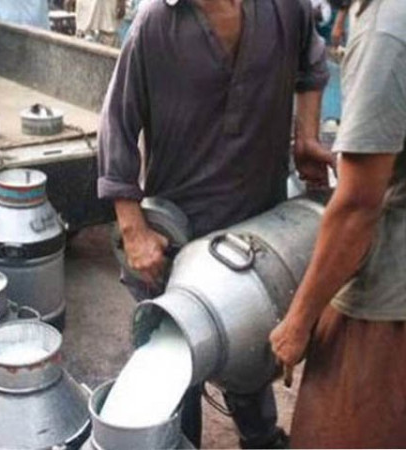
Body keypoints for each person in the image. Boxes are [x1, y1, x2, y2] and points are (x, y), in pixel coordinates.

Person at [98, 0, 332, 448]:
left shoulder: (285, 9)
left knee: (252, 347)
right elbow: (117, 122)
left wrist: (306, 136)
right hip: (178, 236)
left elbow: (312, 64)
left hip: (257, 230)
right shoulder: (157, 22)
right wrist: (133, 230)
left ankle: (260, 438)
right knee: (178, 362)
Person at [270, 0, 406, 447]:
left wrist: (298, 321)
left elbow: (357, 207)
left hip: (388, 296)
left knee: (331, 432)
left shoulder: (387, 30)